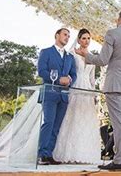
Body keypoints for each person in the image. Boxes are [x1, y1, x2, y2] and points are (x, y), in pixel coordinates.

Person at [76, 9, 121, 171]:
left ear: (119, 19)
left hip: (116, 83)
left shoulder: (113, 33)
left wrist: (85, 55)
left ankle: (120, 159)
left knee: (119, 121)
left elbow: (102, 60)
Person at [53, 28, 101, 164]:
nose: (86, 41)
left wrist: (94, 93)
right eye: (84, 38)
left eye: (88, 38)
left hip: (87, 90)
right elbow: (66, 70)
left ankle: (84, 153)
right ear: (79, 39)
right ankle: (67, 152)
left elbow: (92, 78)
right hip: (75, 85)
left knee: (85, 118)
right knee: (72, 116)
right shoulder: (72, 54)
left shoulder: (92, 56)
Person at [37, 28, 77, 165]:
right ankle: (41, 154)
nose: (67, 37)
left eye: (69, 36)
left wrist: (70, 80)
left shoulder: (70, 57)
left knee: (56, 126)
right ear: (57, 35)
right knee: (48, 122)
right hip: (49, 93)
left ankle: (49, 154)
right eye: (65, 34)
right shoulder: (46, 52)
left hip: (64, 95)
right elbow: (41, 71)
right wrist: (59, 79)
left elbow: (74, 74)